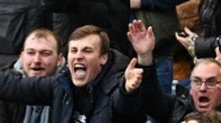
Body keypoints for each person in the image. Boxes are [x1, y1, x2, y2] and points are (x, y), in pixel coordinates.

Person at [0, 24, 143, 123]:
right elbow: (15, 87)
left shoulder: (115, 84)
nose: (78, 56)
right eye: (74, 51)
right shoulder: (62, 84)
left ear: (103, 58)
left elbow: (124, 107)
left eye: (87, 51)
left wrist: (128, 91)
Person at [0, 29, 64, 123]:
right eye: (30, 53)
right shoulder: (5, 85)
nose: (37, 60)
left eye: (45, 53)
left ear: (59, 60)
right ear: (21, 57)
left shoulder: (71, 86)